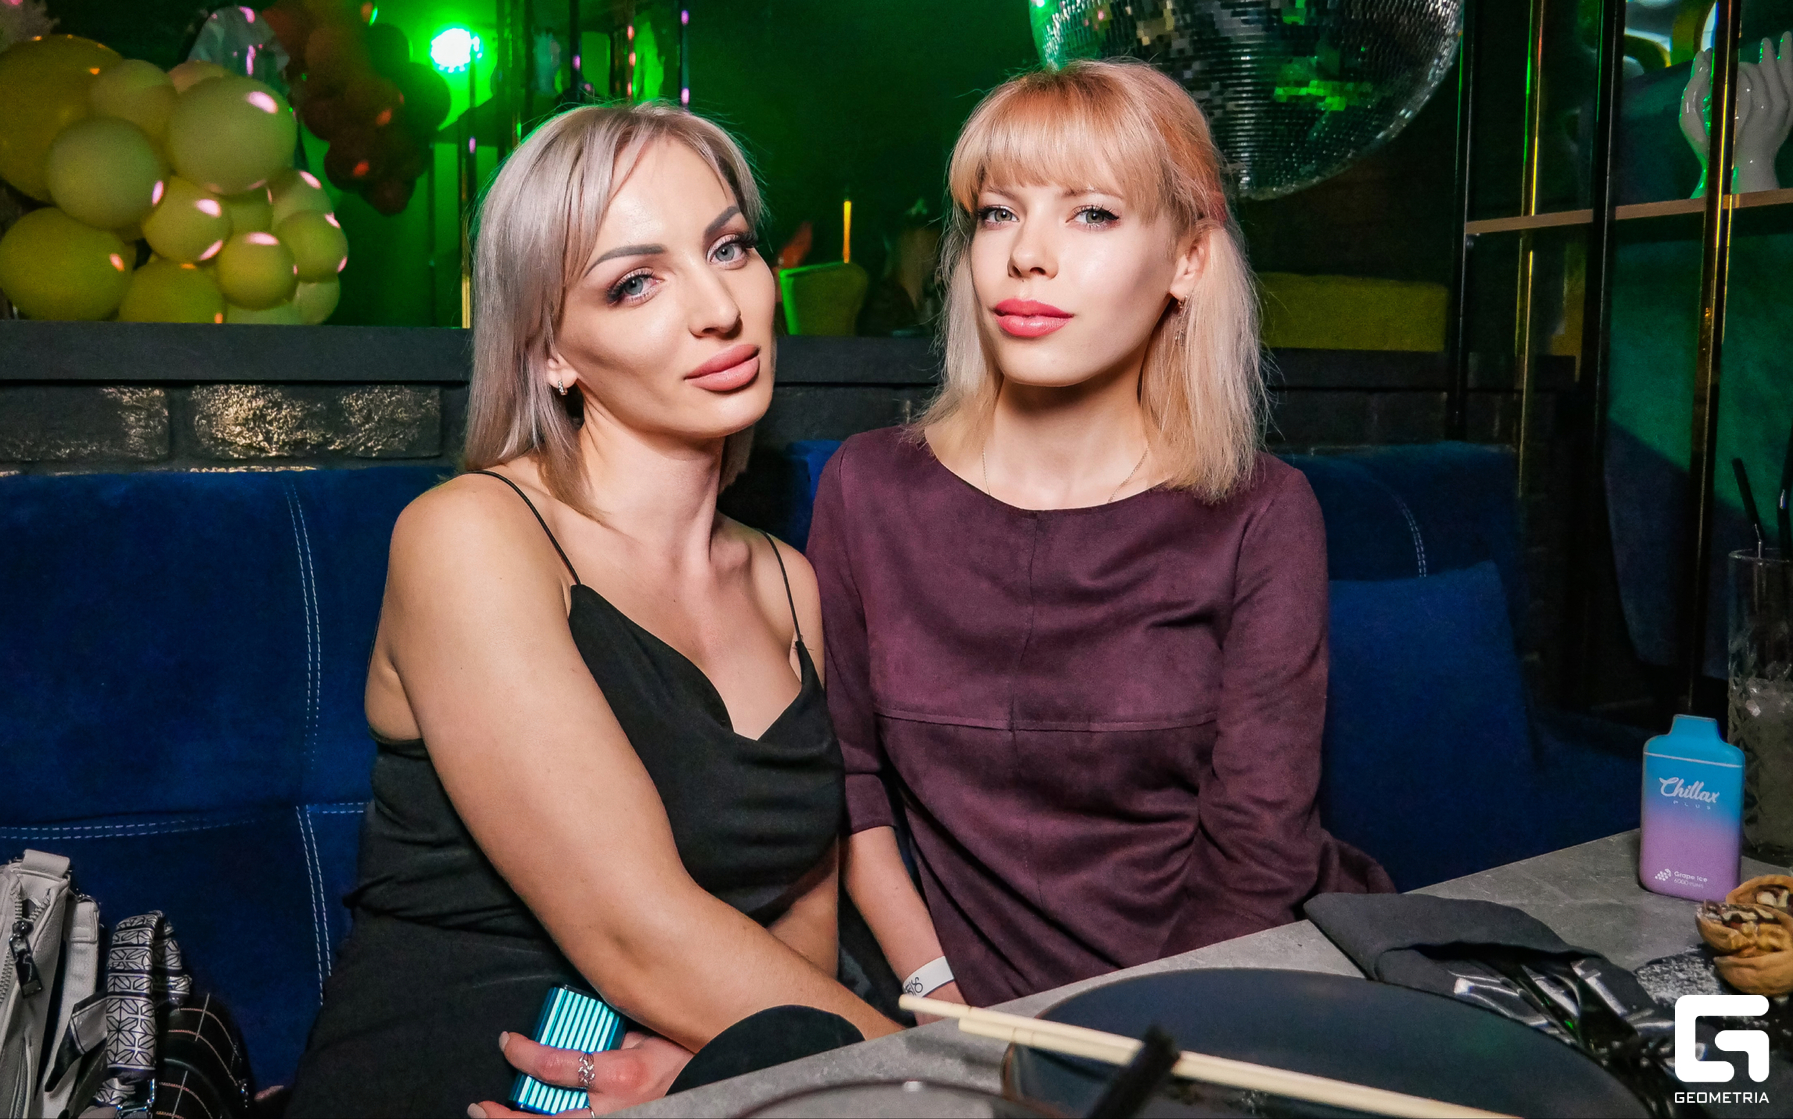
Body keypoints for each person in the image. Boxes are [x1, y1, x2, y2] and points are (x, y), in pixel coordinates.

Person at [287, 102, 898, 1119]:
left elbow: (801, 915)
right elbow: (632, 931)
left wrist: (732, 1071)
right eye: (635, 282)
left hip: (696, 1074)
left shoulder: (788, 581)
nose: (720, 307)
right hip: (480, 1074)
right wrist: (962, 1082)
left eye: (729, 247)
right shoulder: (472, 535)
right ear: (551, 353)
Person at [814, 59, 1392, 1011]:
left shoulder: (1261, 511)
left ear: (1189, 260)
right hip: (968, 1012)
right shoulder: (868, 489)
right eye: (999, 213)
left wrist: (1142, 1051)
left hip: (1227, 993)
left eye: (1091, 213)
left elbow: (1259, 855)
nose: (1028, 255)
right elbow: (848, 780)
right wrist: (936, 990)